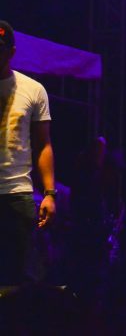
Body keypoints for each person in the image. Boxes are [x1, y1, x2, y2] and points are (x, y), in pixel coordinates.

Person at [0, 20, 57, 286]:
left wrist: (49, 193)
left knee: (19, 277)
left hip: (17, 193)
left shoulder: (32, 89)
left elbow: (43, 144)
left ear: (11, 52)